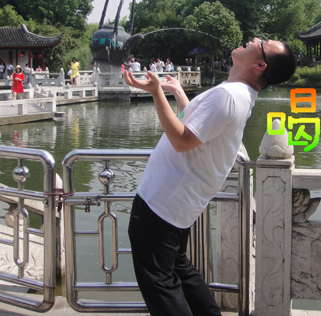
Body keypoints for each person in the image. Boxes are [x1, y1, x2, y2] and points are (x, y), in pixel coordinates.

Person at [124, 38, 296, 316]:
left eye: (262, 43)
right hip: (175, 204)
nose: (254, 39)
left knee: (161, 284)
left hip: (162, 203)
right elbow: (199, 127)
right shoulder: (238, 94)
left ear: (260, 65)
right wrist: (178, 92)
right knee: (179, 269)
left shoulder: (229, 95)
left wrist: (156, 92)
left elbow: (182, 140)